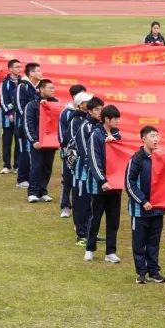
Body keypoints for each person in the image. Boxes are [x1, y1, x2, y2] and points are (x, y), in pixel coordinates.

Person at [126, 125, 165, 285]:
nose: (156, 139)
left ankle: (153, 271)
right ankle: (141, 272)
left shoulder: (161, 157)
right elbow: (129, 183)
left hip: (157, 209)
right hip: (140, 210)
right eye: (152, 136)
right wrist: (143, 201)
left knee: (154, 241)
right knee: (139, 242)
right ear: (143, 139)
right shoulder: (136, 159)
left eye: (157, 136)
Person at [83, 104, 122, 264]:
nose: (118, 122)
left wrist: (115, 143)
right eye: (116, 119)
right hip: (99, 186)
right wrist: (102, 180)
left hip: (115, 187)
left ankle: (110, 251)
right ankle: (90, 249)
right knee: (95, 217)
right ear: (107, 119)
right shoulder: (95, 135)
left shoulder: (118, 135)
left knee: (113, 219)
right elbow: (93, 159)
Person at [72, 96, 103, 246]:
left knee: (93, 204)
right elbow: (85, 152)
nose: (100, 112)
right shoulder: (85, 126)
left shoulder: (101, 126)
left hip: (95, 173)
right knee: (82, 203)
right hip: (83, 173)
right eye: (97, 109)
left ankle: (92, 233)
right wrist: (92, 169)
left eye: (101, 109)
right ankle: (81, 235)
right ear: (89, 111)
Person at [24, 79, 58, 204]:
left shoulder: (56, 104)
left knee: (47, 167)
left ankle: (43, 191)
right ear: (41, 89)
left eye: (53, 88)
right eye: (49, 88)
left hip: (51, 142)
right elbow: (28, 124)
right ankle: (32, 192)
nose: (52, 90)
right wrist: (33, 140)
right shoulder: (32, 105)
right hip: (38, 143)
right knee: (36, 166)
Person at [58, 86, 89, 218]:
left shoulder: (89, 115)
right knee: (67, 180)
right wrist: (65, 150)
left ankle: (81, 210)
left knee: (81, 182)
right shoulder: (67, 113)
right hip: (70, 154)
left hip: (85, 156)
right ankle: (65, 206)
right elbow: (62, 133)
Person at [15, 62, 43, 189]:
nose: (40, 73)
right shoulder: (22, 86)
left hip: (36, 126)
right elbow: (19, 106)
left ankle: (33, 177)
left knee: (33, 152)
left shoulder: (37, 87)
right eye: (38, 71)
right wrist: (28, 119)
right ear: (31, 73)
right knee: (24, 151)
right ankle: (22, 179)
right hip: (24, 126)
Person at [0, 59, 21, 174]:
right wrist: (9, 113)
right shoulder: (5, 83)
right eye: (16, 67)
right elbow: (2, 100)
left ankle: (17, 165)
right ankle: (6, 165)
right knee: (7, 141)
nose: (19, 69)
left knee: (19, 141)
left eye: (19, 67)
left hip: (20, 117)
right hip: (7, 117)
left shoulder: (23, 82)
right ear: (10, 69)